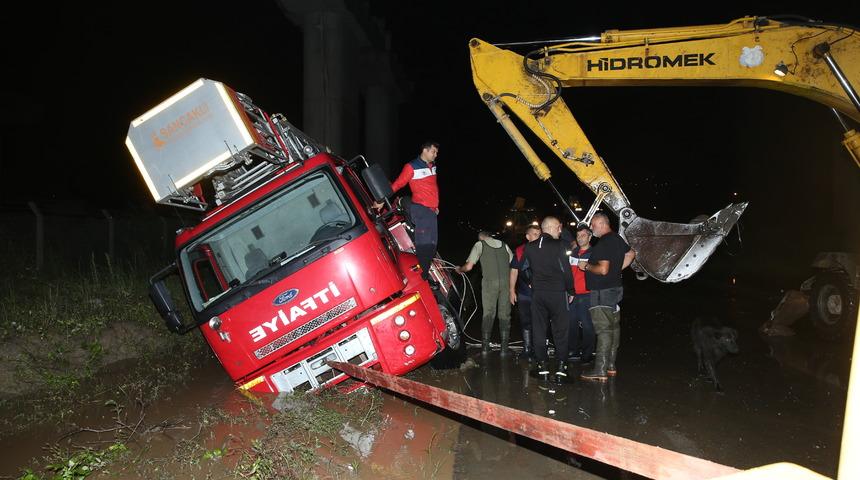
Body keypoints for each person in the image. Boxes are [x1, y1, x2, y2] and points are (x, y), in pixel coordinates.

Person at [578, 212, 636, 382]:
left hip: (602, 292)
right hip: (615, 289)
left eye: (594, 226)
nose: (592, 229)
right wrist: (616, 271)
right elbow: (631, 254)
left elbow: (602, 269)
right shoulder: (617, 239)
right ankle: (610, 366)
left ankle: (600, 369)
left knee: (603, 330)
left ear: (602, 224)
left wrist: (587, 266)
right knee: (613, 328)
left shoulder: (604, 243)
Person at [523, 216, 574, 379]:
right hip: (558, 294)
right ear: (551, 228)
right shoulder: (560, 245)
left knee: (539, 330)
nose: (560, 230)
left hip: (538, 295)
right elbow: (567, 271)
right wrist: (571, 291)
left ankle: (542, 367)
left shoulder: (529, 247)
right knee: (560, 331)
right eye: (559, 227)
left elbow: (524, 268)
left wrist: (531, 282)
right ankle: (561, 368)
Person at [385, 141, 440, 281]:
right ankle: (424, 275)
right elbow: (398, 184)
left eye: (436, 152)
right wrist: (381, 200)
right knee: (425, 244)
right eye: (433, 151)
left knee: (432, 245)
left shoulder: (432, 167)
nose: (436, 154)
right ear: (425, 151)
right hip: (420, 209)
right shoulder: (411, 167)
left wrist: (435, 206)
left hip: (431, 211)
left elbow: (432, 188)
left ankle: (424, 270)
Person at [456, 231, 514, 355]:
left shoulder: (479, 245)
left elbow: (469, 267)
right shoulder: (504, 245)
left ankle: (485, 347)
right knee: (505, 314)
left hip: (489, 284)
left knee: (488, 314)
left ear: (481, 237)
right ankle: (504, 349)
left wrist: (459, 269)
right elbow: (513, 263)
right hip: (505, 283)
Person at [509, 225, 541, 360]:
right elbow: (514, 271)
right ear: (528, 236)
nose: (538, 236)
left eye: (539, 233)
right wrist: (511, 290)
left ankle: (538, 349)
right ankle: (527, 348)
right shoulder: (520, 250)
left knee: (539, 322)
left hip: (540, 293)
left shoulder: (544, 249)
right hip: (523, 293)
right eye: (534, 234)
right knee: (525, 321)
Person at [567, 225, 595, 364]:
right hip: (572, 294)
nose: (580, 238)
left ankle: (587, 353)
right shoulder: (572, 253)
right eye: (578, 236)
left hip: (587, 295)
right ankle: (573, 351)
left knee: (587, 325)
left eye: (583, 235)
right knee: (571, 324)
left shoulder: (595, 253)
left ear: (590, 237)